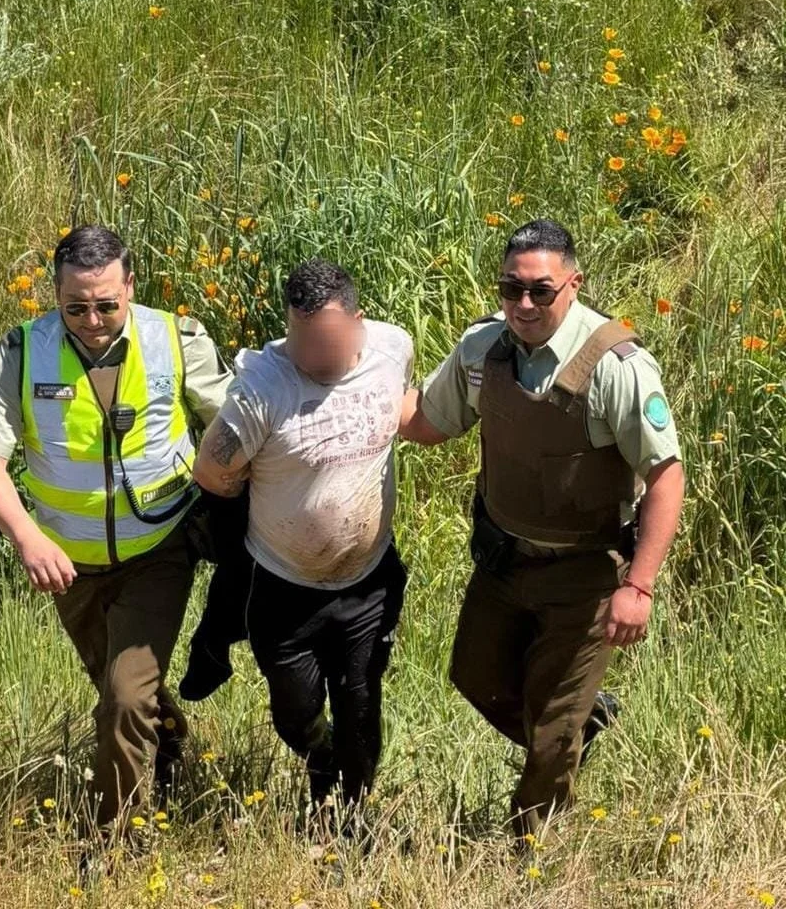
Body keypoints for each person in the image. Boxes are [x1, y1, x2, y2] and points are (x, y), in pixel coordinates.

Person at [400, 219, 685, 841]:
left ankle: (529, 849)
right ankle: (584, 722)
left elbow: (666, 477)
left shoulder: (618, 368)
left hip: (587, 574)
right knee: (475, 678)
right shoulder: (484, 349)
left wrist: (638, 587)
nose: (523, 304)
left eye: (540, 290)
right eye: (511, 288)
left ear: (573, 285)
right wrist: (348, 386)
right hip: (503, 561)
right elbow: (428, 421)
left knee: (552, 731)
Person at [0, 224, 231, 829]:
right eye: (75, 307)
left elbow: (236, 427)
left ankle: (115, 841)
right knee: (117, 688)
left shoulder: (177, 340)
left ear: (130, 286)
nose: (92, 320)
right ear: (55, 296)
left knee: (123, 699)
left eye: (107, 305)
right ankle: (171, 754)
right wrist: (27, 538)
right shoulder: (21, 352)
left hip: (158, 547)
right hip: (67, 563)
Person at [191, 259, 413, 812]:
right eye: (300, 339)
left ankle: (351, 816)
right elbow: (212, 473)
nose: (310, 356)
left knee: (361, 704)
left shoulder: (393, 349)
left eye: (325, 342)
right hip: (282, 585)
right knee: (295, 713)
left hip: (366, 579)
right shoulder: (262, 388)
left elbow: (404, 402)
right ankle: (322, 758)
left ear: (359, 322)